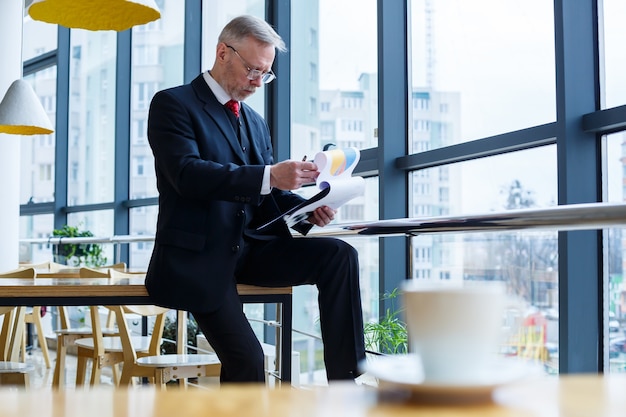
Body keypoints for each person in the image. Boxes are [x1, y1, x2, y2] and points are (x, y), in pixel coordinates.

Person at [145, 14, 365, 383]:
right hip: (199, 259)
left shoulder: (255, 121)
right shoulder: (173, 104)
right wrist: (270, 175)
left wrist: (308, 211)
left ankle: (346, 383)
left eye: (265, 74)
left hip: (251, 250)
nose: (257, 82)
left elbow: (264, 199)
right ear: (222, 53)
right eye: (252, 69)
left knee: (340, 255)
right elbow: (187, 175)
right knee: (248, 359)